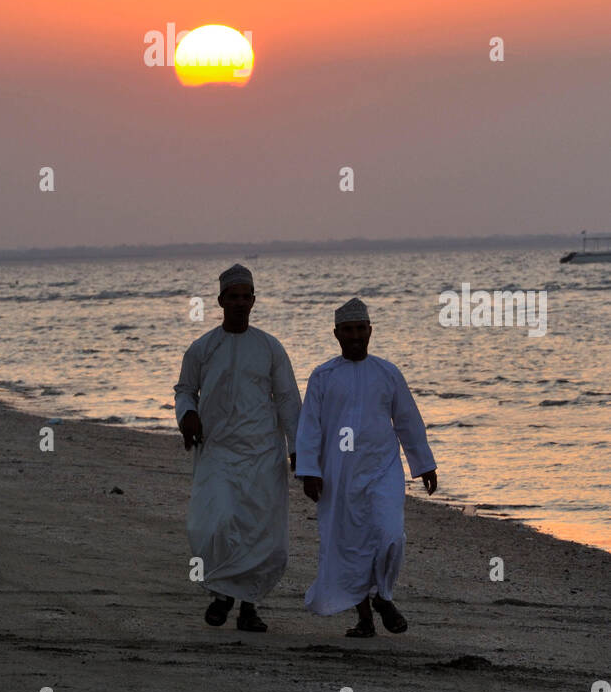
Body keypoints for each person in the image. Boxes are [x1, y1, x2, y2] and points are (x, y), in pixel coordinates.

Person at [295, 296, 437, 637]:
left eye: (360, 328)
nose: (355, 335)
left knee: (390, 535)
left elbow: (408, 422)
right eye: (348, 330)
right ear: (336, 334)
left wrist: (424, 465)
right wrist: (309, 471)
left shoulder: (388, 373)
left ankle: (383, 596)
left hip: (383, 470)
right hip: (338, 475)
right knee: (348, 544)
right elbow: (310, 427)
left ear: (370, 330)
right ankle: (364, 618)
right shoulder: (323, 376)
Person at [174, 264, 301, 632]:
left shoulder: (269, 347)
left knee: (261, 533)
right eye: (233, 297)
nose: (240, 303)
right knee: (214, 522)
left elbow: (288, 399)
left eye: (246, 297)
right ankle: (221, 593)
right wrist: (188, 415)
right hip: (218, 451)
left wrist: (299, 449)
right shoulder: (203, 348)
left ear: (254, 301)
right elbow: (184, 389)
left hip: (263, 452)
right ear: (220, 301)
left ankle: (248, 606)